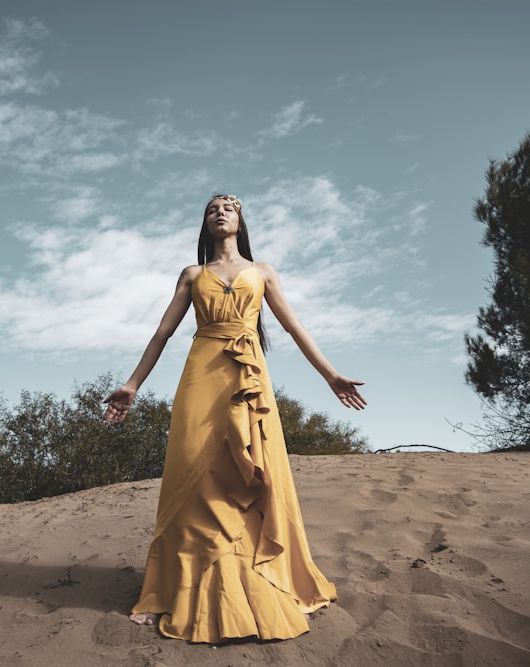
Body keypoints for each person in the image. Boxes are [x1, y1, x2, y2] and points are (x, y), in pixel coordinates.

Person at [103, 193, 366, 643]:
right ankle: (172, 588)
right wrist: (132, 385)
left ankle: (258, 574)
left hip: (248, 377)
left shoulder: (263, 272)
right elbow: (163, 332)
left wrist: (331, 376)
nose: (220, 212)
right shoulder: (192, 274)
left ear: (241, 221)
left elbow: (293, 327)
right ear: (204, 225)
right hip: (200, 376)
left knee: (251, 469)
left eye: (229, 208)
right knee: (193, 469)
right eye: (212, 209)